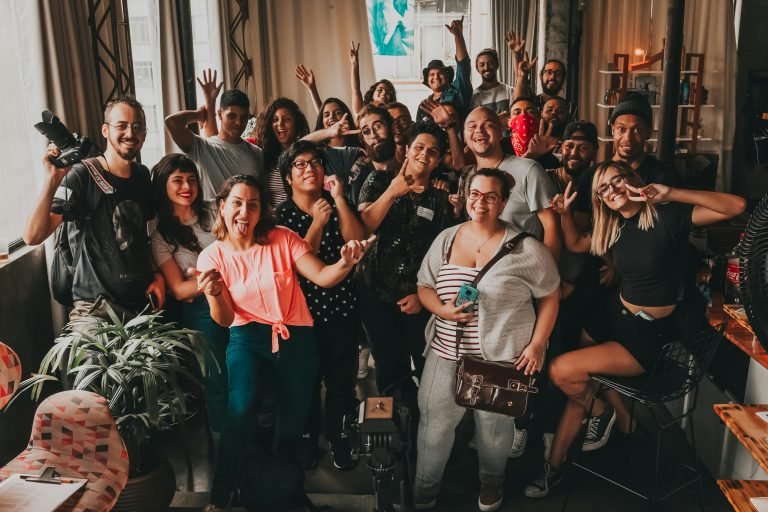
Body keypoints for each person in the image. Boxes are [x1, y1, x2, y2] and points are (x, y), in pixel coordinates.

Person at [524, 161, 746, 498]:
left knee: (562, 370)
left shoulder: (667, 216)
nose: (612, 191)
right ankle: (556, 465)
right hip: (612, 315)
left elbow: (737, 206)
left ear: (634, 181)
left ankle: (602, 414)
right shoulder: (612, 227)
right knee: (579, 380)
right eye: (603, 189)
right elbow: (573, 243)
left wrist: (670, 192)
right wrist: (565, 214)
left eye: (617, 181)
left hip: (647, 333)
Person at [196, 175, 374, 511]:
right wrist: (215, 292)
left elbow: (323, 276)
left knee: (292, 423)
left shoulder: (282, 239)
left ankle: (279, 490)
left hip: (297, 340)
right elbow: (222, 318)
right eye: (236, 202)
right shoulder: (212, 256)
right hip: (247, 339)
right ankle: (220, 498)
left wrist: (346, 262)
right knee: (241, 408)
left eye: (252, 204)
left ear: (261, 210)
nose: (243, 211)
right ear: (222, 207)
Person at [414, 168, 560, 511]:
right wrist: (443, 310)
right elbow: (424, 285)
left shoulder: (527, 248)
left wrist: (538, 344)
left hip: (500, 357)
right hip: (445, 351)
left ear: (503, 203)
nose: (481, 202)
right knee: (434, 425)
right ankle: (424, 488)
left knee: (494, 432)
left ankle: (492, 484)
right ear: (466, 197)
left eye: (491, 196)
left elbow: (552, 294)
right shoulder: (447, 238)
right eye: (475, 194)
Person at [24, 96, 164, 323]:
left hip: (141, 307)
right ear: (105, 130)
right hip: (95, 311)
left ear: (145, 135)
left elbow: (142, 236)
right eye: (122, 126)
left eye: (137, 127)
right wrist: (52, 179)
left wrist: (157, 275)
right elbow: (33, 236)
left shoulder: (142, 175)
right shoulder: (82, 175)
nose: (130, 133)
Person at [275, 140, 366, 471]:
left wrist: (339, 200)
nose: (309, 169)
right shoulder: (281, 217)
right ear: (288, 177)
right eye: (300, 165)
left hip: (342, 309)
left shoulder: (333, 202)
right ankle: (308, 441)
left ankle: (339, 438)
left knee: (342, 382)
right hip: (302, 315)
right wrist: (315, 223)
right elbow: (293, 267)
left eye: (315, 162)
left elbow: (357, 240)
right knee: (307, 383)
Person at [357, 120, 457, 412]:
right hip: (375, 293)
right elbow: (363, 228)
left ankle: (423, 426)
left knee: (425, 363)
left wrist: (421, 295)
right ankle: (387, 436)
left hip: (417, 298)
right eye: (419, 147)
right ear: (406, 150)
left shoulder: (440, 197)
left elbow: (442, 255)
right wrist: (392, 192)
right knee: (386, 366)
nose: (425, 154)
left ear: (438, 159)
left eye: (433, 151)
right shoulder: (378, 180)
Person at [149, 154, 228, 434]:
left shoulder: (215, 211)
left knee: (247, 365)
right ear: (163, 186)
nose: (187, 186)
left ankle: (256, 427)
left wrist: (213, 278)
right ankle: (224, 436)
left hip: (239, 298)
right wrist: (218, 277)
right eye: (178, 180)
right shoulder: (160, 235)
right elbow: (180, 290)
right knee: (216, 375)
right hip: (200, 312)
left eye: (192, 179)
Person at [463, 107, 560, 260]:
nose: (479, 130)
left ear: (501, 133)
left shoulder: (528, 169)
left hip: (523, 269)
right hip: (480, 273)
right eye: (472, 126)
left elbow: (552, 225)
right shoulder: (467, 177)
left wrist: (547, 274)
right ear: (465, 136)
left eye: (488, 125)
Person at [165, 75, 264, 201]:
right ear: (220, 114)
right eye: (232, 116)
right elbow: (172, 122)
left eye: (243, 117)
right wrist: (199, 115)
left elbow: (260, 193)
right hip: (211, 220)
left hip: (246, 219)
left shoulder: (256, 153)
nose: (238, 122)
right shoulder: (201, 147)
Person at [254, 97, 311, 208]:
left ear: (296, 123)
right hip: (271, 221)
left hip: (300, 220)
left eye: (287, 119)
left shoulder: (305, 153)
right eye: (275, 120)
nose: (280, 124)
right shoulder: (264, 154)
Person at [416, 16, 472, 121]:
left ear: (447, 77)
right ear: (427, 81)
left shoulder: (457, 91)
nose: (436, 77)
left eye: (440, 73)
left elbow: (463, 65)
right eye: (431, 75)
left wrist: (458, 36)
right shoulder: (424, 105)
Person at [348, 40, 397, 115]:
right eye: (380, 90)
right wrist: (354, 64)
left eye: (388, 92)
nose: (383, 92)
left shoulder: (393, 114)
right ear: (372, 95)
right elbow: (356, 90)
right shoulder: (362, 111)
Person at [470, 48, 513, 118]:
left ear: (497, 65)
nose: (486, 67)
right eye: (482, 65)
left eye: (491, 63)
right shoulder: (474, 97)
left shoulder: (510, 91)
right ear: (477, 68)